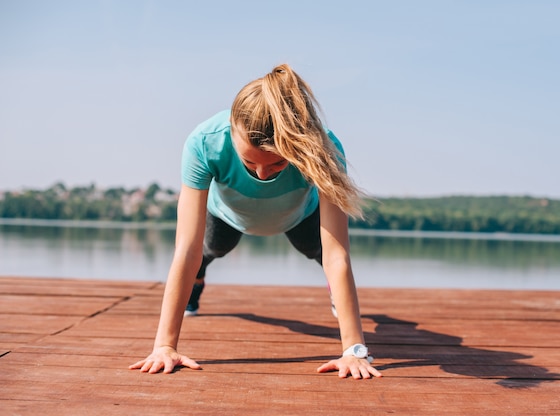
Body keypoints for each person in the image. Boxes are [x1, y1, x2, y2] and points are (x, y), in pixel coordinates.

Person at [129, 64, 381, 379]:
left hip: (298, 215)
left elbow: (337, 253)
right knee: (210, 249)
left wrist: (353, 350)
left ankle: (335, 292)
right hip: (228, 216)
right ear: (232, 129)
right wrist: (164, 346)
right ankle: (197, 283)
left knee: (317, 252)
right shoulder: (205, 142)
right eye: (250, 161)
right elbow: (186, 247)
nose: (262, 174)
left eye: (276, 164)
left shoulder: (324, 148)